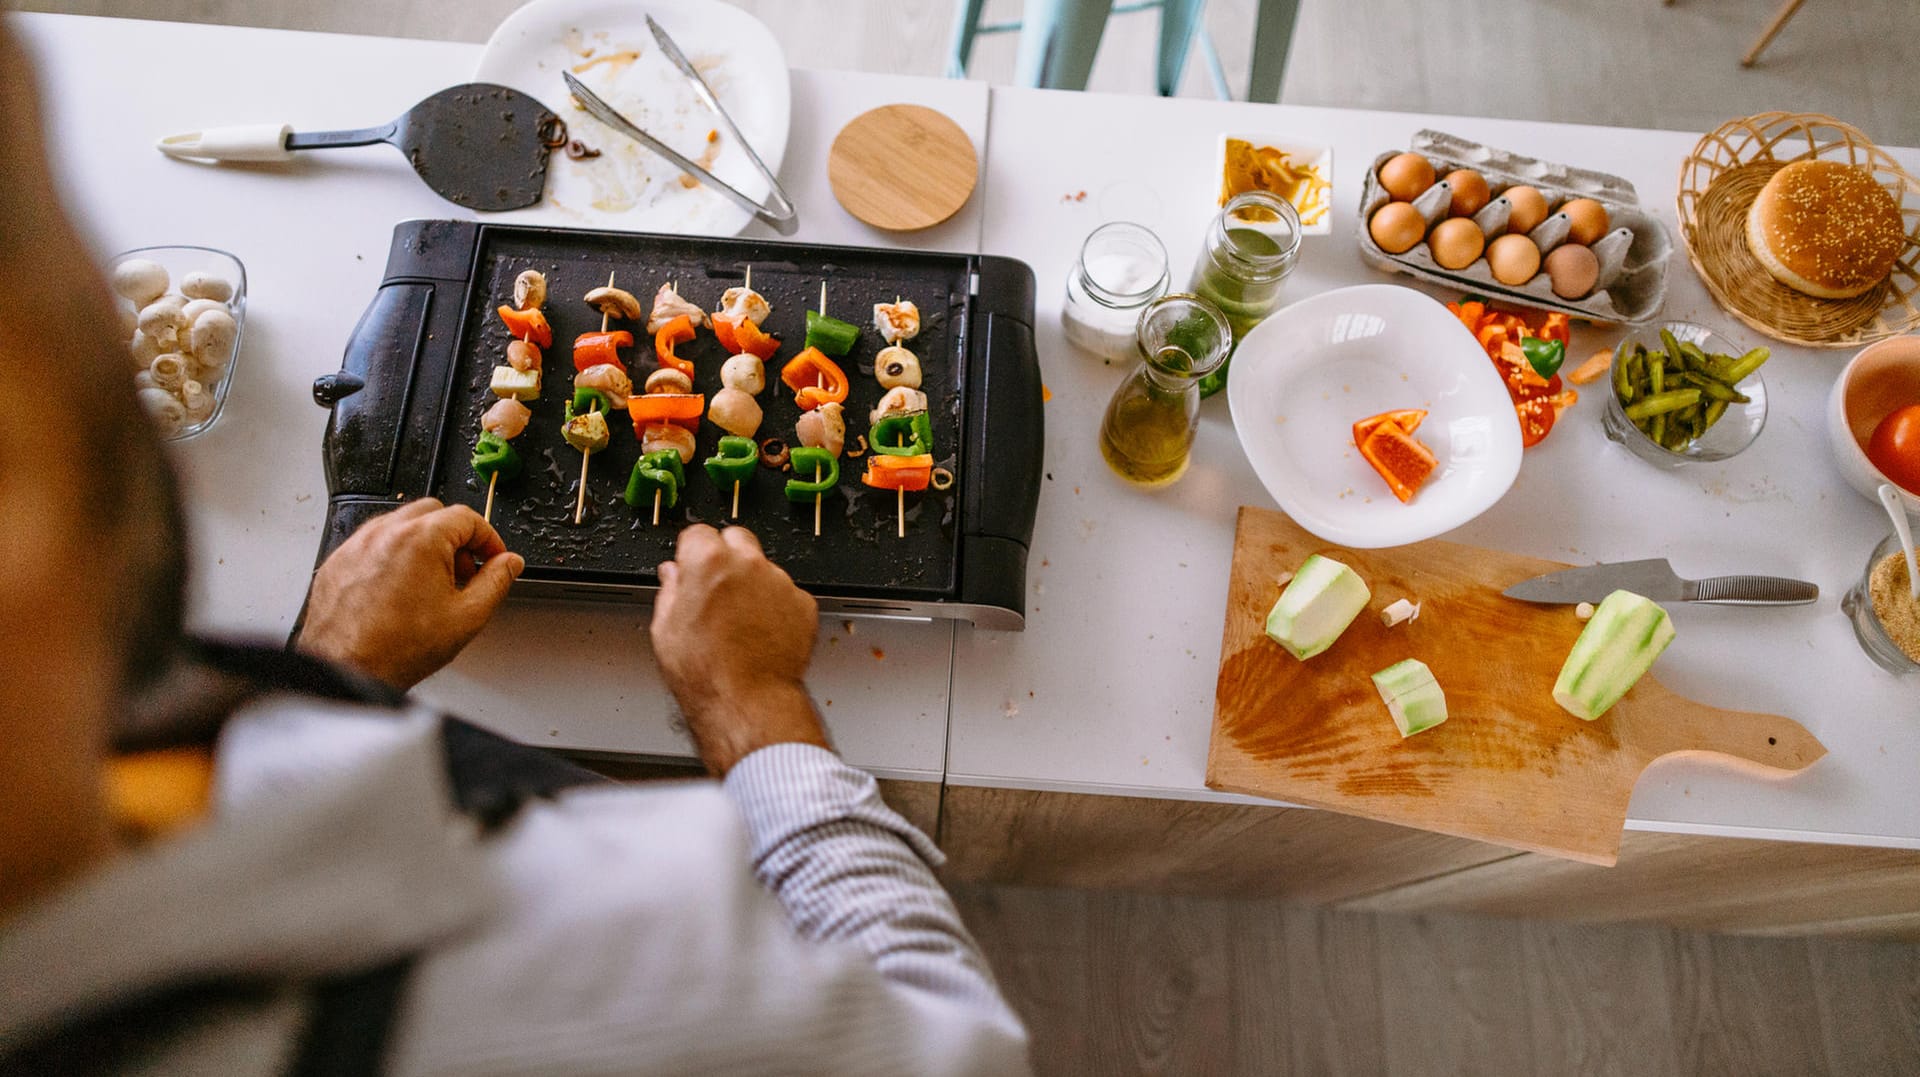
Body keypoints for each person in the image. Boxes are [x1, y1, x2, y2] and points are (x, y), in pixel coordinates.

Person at [0, 20, 1028, 1076]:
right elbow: (967, 1049)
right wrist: (753, 705)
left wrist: (330, 676)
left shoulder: (119, 798)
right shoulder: (604, 982)